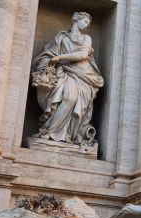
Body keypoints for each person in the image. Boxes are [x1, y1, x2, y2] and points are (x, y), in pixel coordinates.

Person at [31, 12, 103, 148]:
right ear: (76, 19)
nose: (86, 25)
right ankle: (50, 132)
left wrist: (59, 57)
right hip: (63, 72)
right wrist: (47, 63)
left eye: (88, 24)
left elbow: (82, 55)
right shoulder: (62, 37)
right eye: (85, 22)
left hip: (83, 75)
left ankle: (67, 135)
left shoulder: (86, 38)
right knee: (63, 96)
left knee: (72, 98)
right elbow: (49, 54)